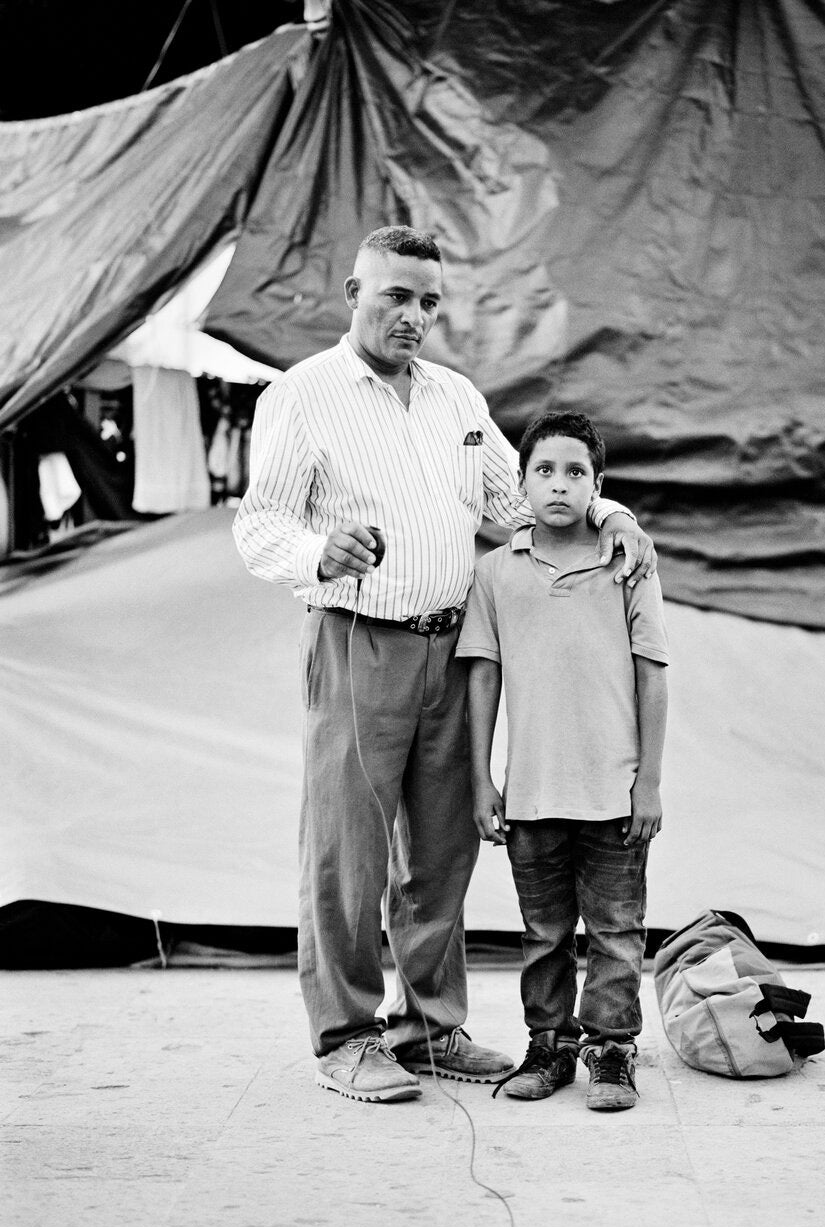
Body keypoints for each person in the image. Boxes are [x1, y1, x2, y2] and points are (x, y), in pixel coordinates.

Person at [233, 226, 656, 1104]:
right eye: (395, 295)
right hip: (358, 639)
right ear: (354, 293)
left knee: (442, 850)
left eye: (428, 301)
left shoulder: (457, 400)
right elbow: (258, 524)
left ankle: (427, 1026)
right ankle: (346, 1036)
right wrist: (319, 550)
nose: (414, 315)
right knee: (347, 851)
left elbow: (520, 498)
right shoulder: (303, 395)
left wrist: (610, 513)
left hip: (456, 646)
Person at [457, 410, 669, 1112]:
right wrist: (481, 778)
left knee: (615, 930)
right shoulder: (495, 572)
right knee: (543, 932)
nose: (559, 483)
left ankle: (611, 1050)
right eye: (544, 470)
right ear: (521, 483)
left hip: (613, 792)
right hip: (533, 794)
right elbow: (482, 675)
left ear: (598, 484)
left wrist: (650, 782)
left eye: (576, 471)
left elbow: (653, 673)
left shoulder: (628, 562)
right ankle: (549, 1045)